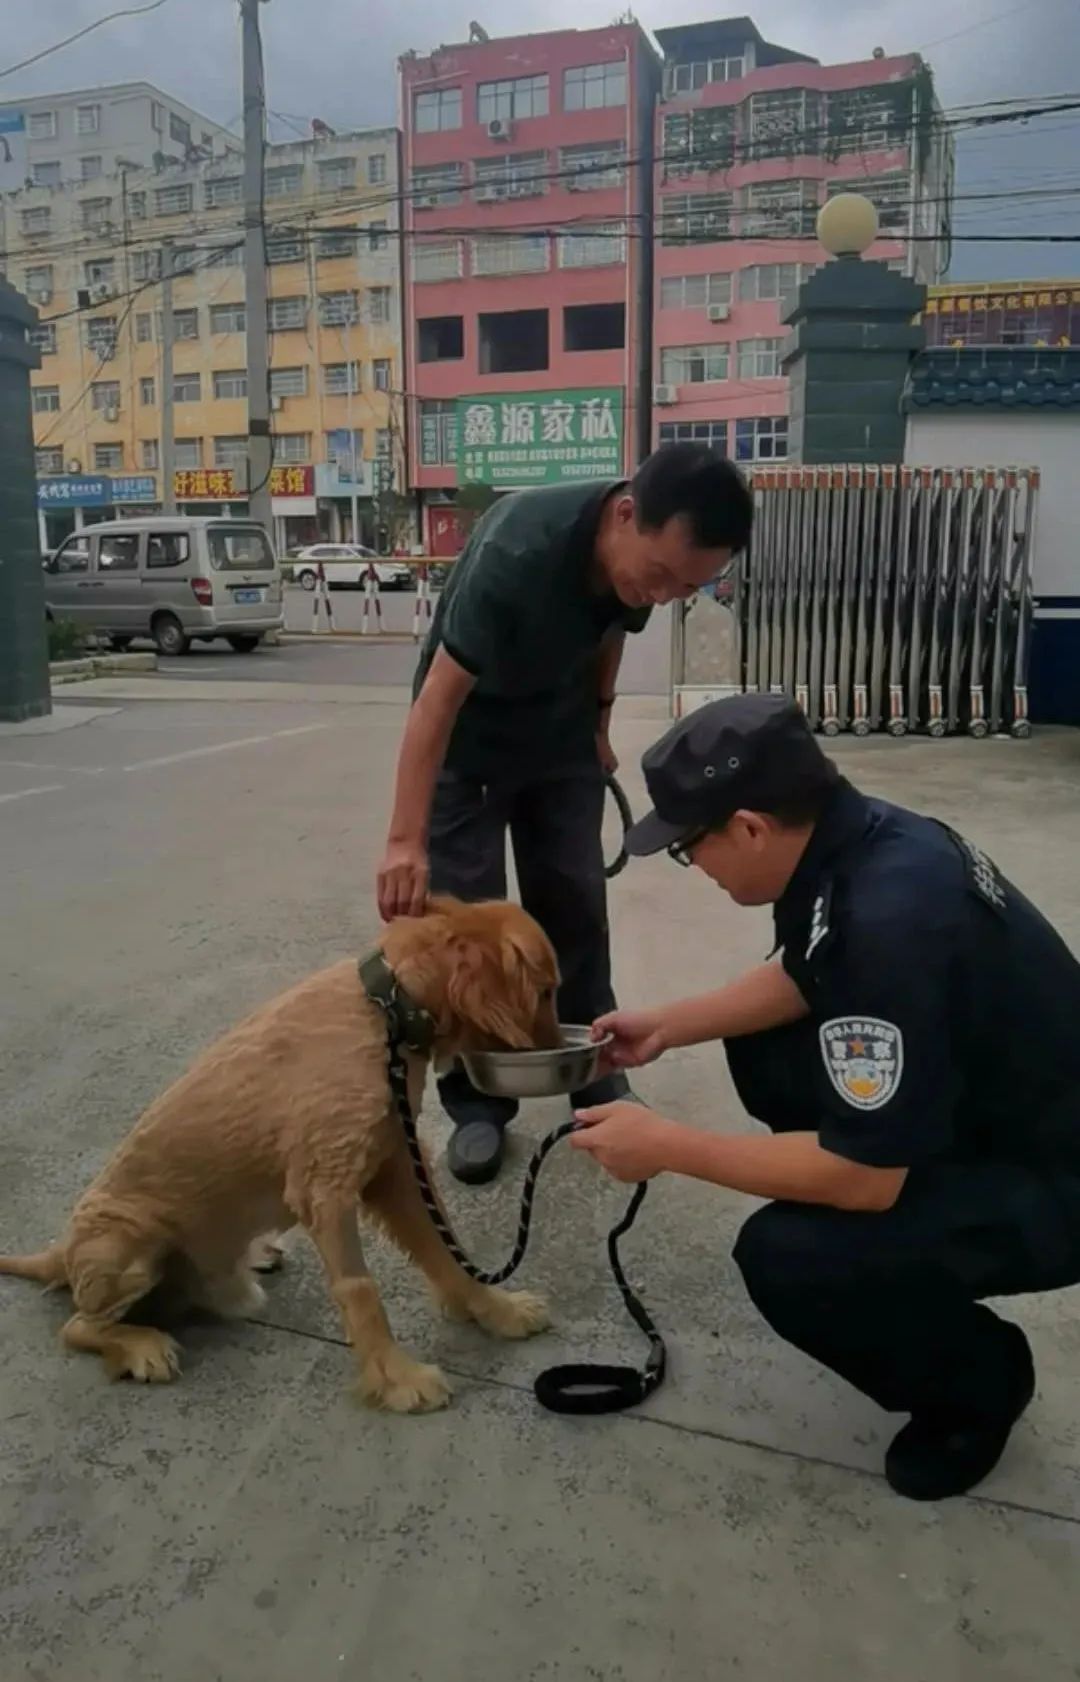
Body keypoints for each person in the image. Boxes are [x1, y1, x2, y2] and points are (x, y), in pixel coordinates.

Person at [572, 693, 1080, 1500]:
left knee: (791, 1258)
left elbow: (865, 1181)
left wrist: (666, 1147)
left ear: (747, 827)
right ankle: (883, 1206)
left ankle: (980, 1386)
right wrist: (668, 1025)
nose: (692, 868)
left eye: (687, 848)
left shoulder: (892, 924)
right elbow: (809, 970)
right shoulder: (859, 839)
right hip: (1002, 1105)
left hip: (1055, 1178)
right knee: (767, 1044)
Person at [377, 444, 754, 1184]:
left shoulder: (643, 569)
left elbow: (609, 630)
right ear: (623, 516)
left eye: (689, 585)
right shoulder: (519, 551)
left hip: (558, 737)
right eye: (662, 576)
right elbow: (435, 705)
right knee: (476, 930)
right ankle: (479, 1106)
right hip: (470, 746)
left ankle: (595, 1076)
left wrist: (599, 725)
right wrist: (402, 840)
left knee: (575, 904)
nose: (667, 595)